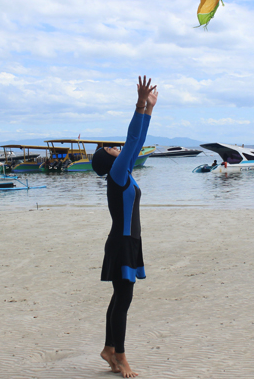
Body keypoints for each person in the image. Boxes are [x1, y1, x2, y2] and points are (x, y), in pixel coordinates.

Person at [92, 76, 158, 378]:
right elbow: (132, 141)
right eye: (110, 148)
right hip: (122, 242)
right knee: (123, 300)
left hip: (129, 241)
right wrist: (139, 104)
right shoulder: (116, 175)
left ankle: (109, 349)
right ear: (107, 160)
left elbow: (137, 143)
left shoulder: (125, 173)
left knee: (120, 298)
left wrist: (149, 109)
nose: (115, 148)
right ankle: (120, 355)